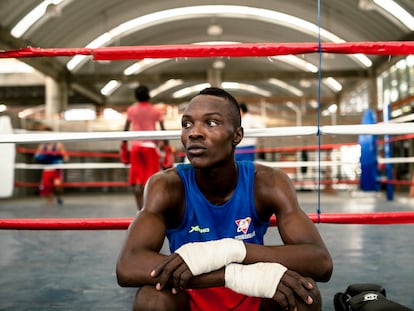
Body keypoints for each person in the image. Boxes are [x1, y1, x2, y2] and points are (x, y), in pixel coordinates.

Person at [116, 87, 333, 311]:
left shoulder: (267, 182)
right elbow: (128, 265)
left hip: (254, 295)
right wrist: (232, 274)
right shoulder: (168, 186)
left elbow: (320, 261)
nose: (194, 133)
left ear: (237, 135)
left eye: (210, 123)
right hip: (189, 297)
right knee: (151, 300)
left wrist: (233, 250)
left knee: (303, 295)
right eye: (187, 124)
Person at [123, 85, 166, 210]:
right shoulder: (155, 110)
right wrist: (166, 146)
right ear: (148, 95)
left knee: (137, 181)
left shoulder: (131, 110)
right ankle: (150, 210)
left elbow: (125, 129)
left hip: (136, 147)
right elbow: (163, 129)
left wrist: (124, 145)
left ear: (136, 96)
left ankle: (139, 211)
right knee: (152, 180)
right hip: (150, 147)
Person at [34, 127, 69, 205]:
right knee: (47, 186)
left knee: (57, 186)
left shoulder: (58, 145)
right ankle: (50, 200)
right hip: (47, 168)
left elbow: (66, 157)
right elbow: (36, 156)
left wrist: (60, 160)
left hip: (57, 169)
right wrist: (41, 156)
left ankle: (59, 196)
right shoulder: (42, 146)